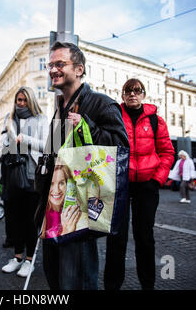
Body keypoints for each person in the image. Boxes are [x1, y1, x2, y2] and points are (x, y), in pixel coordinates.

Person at [40, 42, 129, 290]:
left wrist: (87, 125)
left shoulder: (102, 103)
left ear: (79, 69)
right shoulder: (59, 108)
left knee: (75, 276)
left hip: (80, 205)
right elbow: (53, 154)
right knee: (54, 274)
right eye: (50, 65)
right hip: (54, 204)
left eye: (60, 64)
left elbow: (121, 149)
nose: (53, 70)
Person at [104, 78, 174, 291]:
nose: (132, 94)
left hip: (147, 186)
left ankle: (147, 285)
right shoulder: (114, 116)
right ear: (123, 95)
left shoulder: (156, 120)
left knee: (145, 238)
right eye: (128, 91)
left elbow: (167, 152)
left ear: (143, 94)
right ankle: (112, 285)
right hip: (121, 186)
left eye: (137, 90)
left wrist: (157, 180)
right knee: (116, 237)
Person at [1, 86, 48, 278]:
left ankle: (29, 260)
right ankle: (17, 257)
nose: (20, 103)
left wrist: (25, 139)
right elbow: (5, 148)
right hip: (12, 174)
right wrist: (8, 141)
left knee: (30, 220)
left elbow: (48, 145)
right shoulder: (9, 119)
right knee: (14, 219)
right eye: (18, 100)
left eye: (24, 100)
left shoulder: (41, 119)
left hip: (32, 176)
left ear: (31, 100)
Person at [42, 164, 83, 239]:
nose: (57, 190)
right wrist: (66, 232)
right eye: (51, 184)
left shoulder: (72, 209)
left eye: (61, 183)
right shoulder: (44, 213)